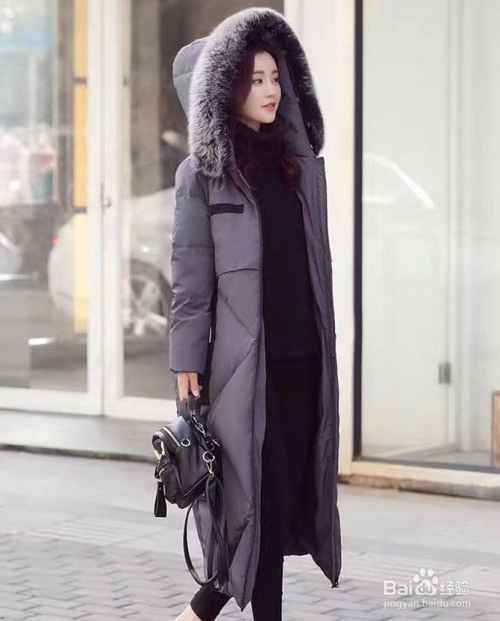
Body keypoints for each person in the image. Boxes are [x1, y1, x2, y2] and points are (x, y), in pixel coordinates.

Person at [168, 7, 341, 621]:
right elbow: (190, 277)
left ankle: (196, 613)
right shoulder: (203, 175)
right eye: (256, 79)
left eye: (275, 77)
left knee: (280, 502)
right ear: (226, 89)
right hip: (244, 372)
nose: (271, 90)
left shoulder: (300, 169)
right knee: (256, 504)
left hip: (304, 364)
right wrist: (186, 359)